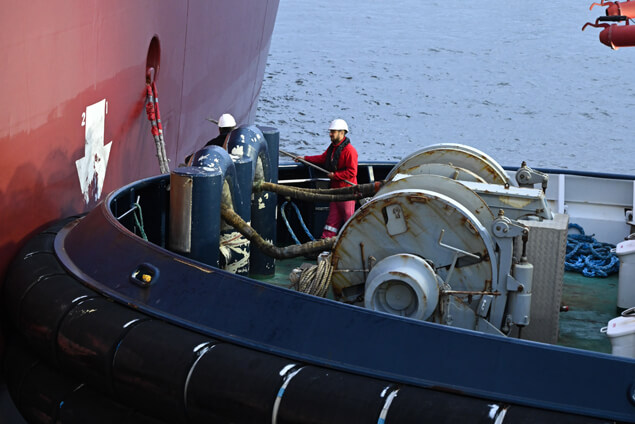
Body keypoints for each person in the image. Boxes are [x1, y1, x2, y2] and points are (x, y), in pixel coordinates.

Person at [302, 119, 358, 238]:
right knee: (331, 222)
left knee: (349, 220)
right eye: (331, 131)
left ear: (342, 133)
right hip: (335, 192)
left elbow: (352, 172)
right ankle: (325, 244)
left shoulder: (350, 151)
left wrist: (335, 176)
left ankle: (351, 243)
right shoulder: (332, 148)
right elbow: (323, 158)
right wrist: (305, 158)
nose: (330, 134)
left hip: (347, 192)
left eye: (333, 132)